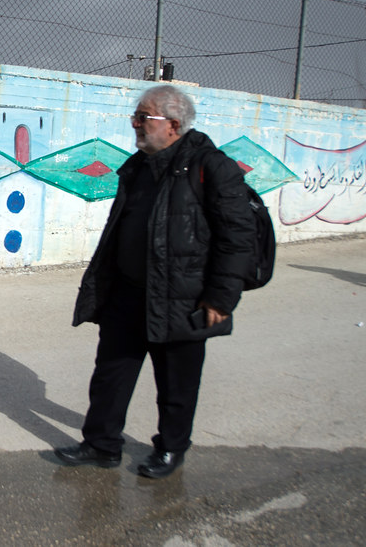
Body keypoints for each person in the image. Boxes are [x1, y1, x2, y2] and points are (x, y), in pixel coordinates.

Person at [54, 85, 256, 478]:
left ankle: (172, 448)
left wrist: (220, 298)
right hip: (128, 294)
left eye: (143, 117)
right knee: (111, 375)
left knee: (177, 384)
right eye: (136, 116)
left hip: (185, 297)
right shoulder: (138, 166)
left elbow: (238, 237)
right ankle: (101, 444)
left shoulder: (212, 167)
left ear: (174, 125)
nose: (135, 124)